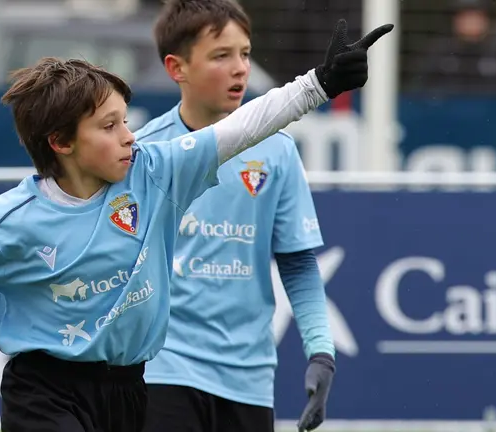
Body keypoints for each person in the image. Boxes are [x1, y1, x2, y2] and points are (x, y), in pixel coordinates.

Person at [0, 18, 392, 432]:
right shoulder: (11, 221)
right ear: (61, 143)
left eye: (125, 121)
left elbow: (245, 128)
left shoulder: (156, 170)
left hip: (129, 389)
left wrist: (320, 83)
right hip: (45, 392)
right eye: (109, 126)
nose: (130, 135)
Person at [133, 2, 353, 431]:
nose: (240, 69)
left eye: (246, 54)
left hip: (248, 380)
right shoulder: (145, 152)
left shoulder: (278, 151)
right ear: (177, 67)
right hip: (163, 372)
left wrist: (321, 352)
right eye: (221, 56)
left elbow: (297, 262)